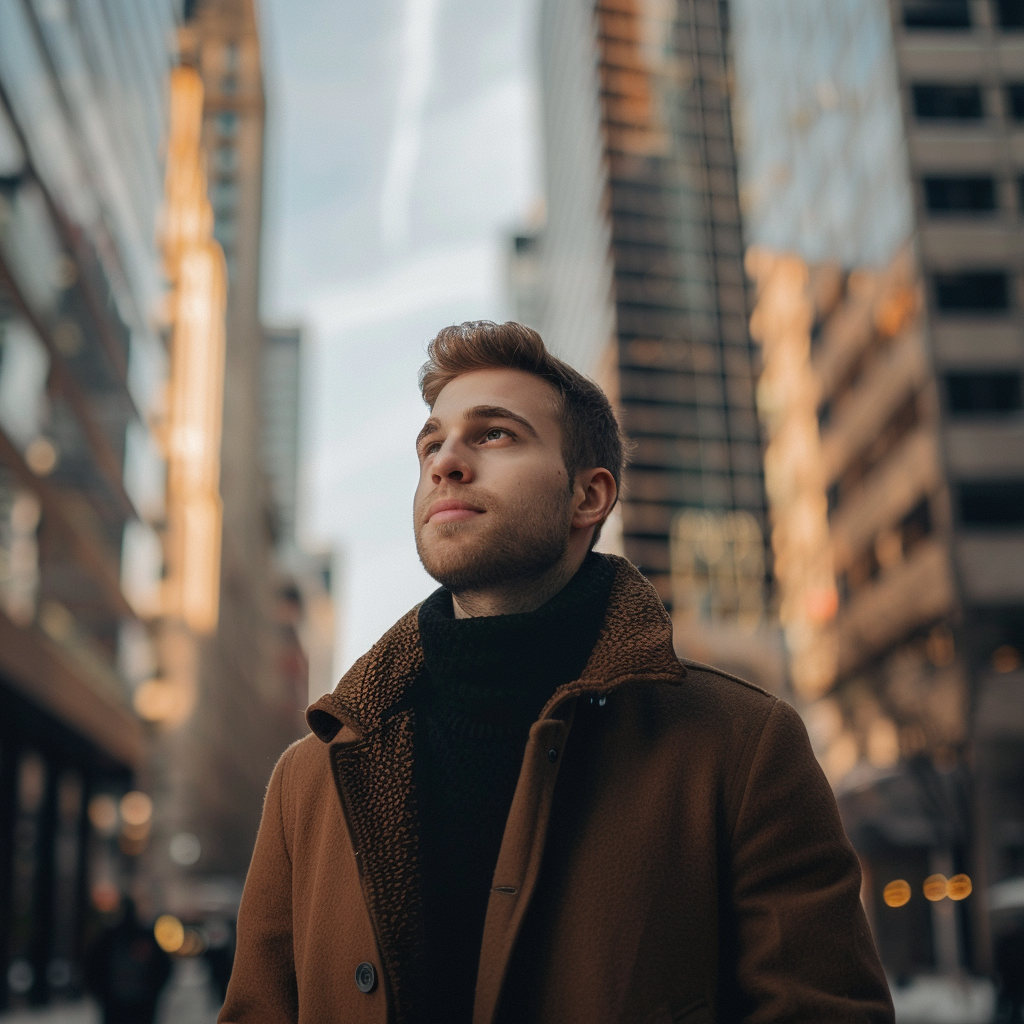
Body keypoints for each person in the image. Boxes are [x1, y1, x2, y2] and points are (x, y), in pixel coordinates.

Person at [219, 322, 893, 1023]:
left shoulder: (742, 746)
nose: (447, 461)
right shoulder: (312, 776)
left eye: (494, 435)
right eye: (432, 443)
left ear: (588, 497)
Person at [85, 897, 172, 1024]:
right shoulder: (143, 937)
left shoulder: (108, 938)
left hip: (128, 1003)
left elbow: (91, 966)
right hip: (128, 1003)